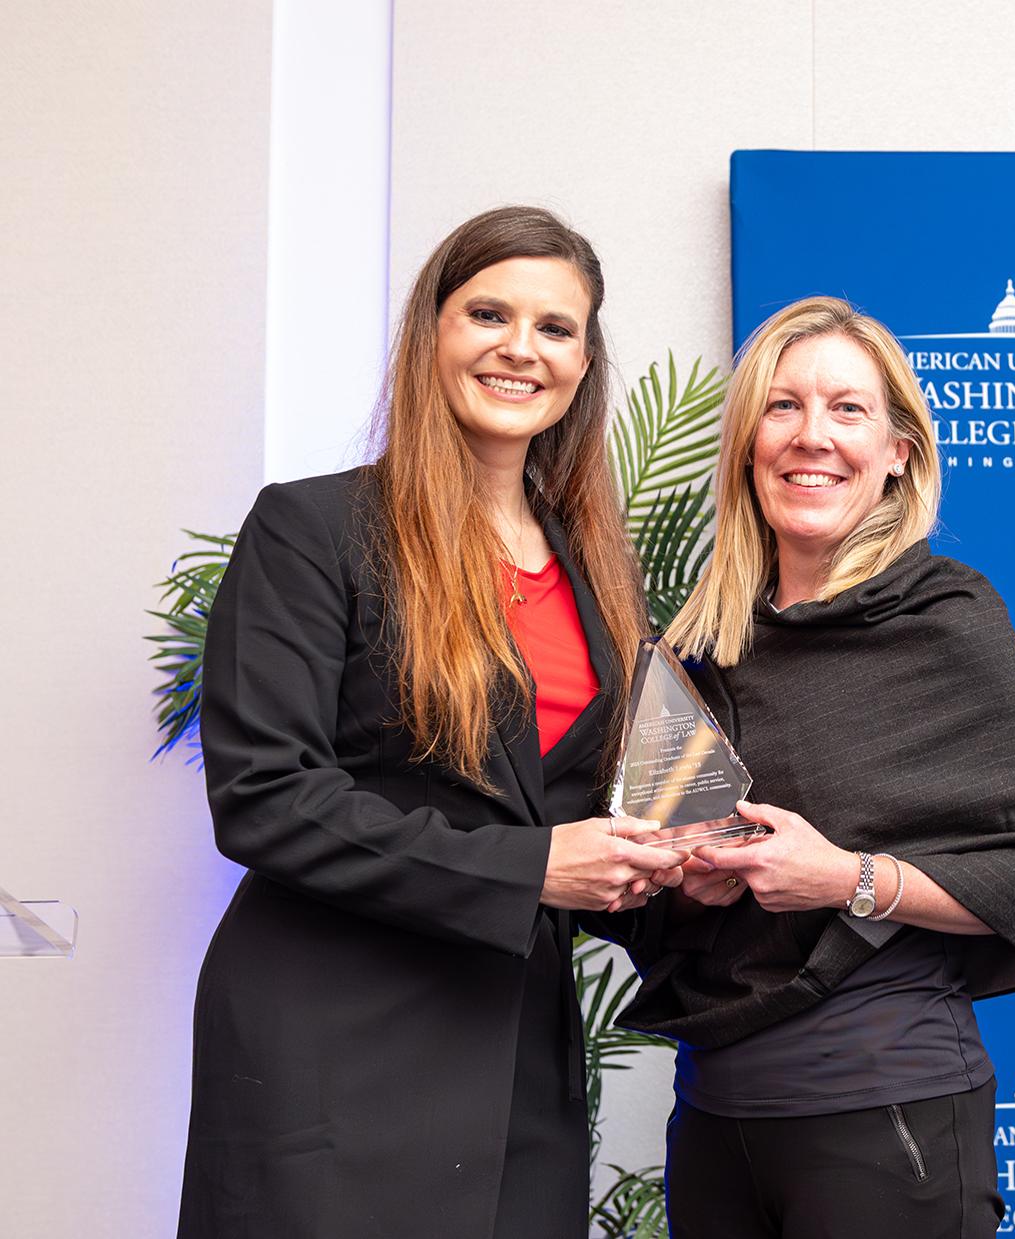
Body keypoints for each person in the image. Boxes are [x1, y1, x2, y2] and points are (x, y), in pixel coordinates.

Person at [178, 206, 685, 1238]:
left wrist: (672, 868)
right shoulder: (312, 528)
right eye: (489, 314)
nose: (521, 348)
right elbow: (265, 797)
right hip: (332, 1047)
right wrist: (535, 868)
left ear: (584, 363)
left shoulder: (601, 573)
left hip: (519, 1061)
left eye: (555, 328)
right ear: (431, 333)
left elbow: (577, 815)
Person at [617, 296, 1015, 1236]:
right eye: (783, 406)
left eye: (847, 409)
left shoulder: (949, 619)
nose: (812, 436)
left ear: (897, 450)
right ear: (749, 443)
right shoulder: (697, 648)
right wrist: (688, 885)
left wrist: (843, 877)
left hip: (884, 1114)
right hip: (712, 1122)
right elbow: (642, 908)